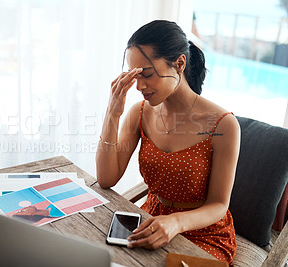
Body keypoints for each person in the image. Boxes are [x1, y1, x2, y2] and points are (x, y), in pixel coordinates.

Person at [96, 20, 240, 265]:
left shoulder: (223, 125)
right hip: (150, 220)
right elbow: (106, 178)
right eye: (134, 76)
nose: (139, 86)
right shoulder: (139, 113)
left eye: (147, 74)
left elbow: (218, 204)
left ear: (180, 63)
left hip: (204, 234)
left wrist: (175, 223)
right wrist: (112, 113)